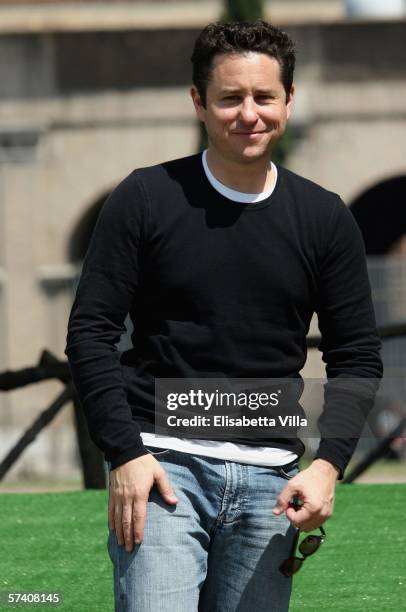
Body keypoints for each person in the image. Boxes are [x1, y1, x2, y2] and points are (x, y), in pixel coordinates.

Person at [65, 21, 383, 612]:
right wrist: (126, 452)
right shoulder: (144, 198)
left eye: (264, 97)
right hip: (162, 469)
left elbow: (357, 356)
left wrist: (329, 466)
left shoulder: (324, 217)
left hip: (273, 480)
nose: (249, 114)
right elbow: (89, 333)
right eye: (230, 98)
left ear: (288, 100)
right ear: (198, 102)